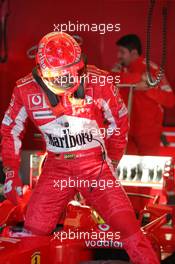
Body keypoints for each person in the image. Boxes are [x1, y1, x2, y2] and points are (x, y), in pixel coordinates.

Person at [1, 32, 159, 263]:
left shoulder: (100, 81)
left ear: (80, 65)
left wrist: (112, 162)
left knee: (128, 227)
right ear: (42, 72)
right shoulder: (24, 89)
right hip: (56, 169)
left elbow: (120, 122)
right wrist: (11, 171)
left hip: (94, 168)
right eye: (58, 76)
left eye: (70, 74)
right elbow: (9, 130)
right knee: (34, 228)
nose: (65, 82)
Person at [113, 34, 175, 155]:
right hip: (125, 133)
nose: (118, 56)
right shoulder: (119, 70)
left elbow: (170, 100)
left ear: (134, 53)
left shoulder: (153, 70)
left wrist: (147, 89)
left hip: (148, 135)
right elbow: (109, 82)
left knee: (148, 170)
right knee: (125, 172)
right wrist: (136, 80)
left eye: (122, 52)